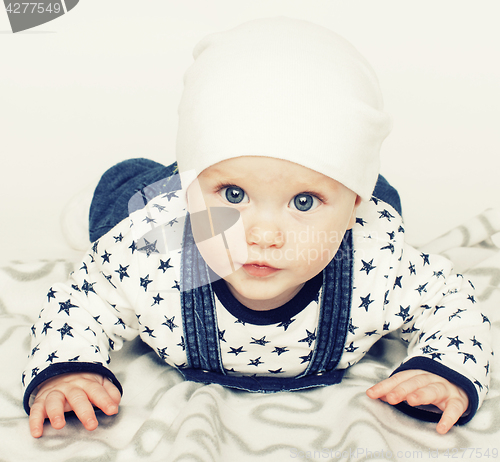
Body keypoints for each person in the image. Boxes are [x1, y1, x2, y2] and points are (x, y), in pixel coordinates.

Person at [23, 17, 491, 438]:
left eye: (303, 202)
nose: (263, 234)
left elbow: (452, 303)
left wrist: (445, 369)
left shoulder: (377, 263)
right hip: (169, 207)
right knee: (121, 206)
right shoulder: (150, 253)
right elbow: (79, 302)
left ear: (351, 209)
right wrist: (69, 368)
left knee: (379, 199)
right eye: (233, 196)